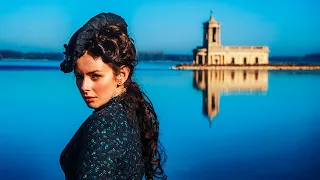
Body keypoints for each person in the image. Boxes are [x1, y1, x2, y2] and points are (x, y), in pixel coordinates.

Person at [59, 12, 166, 180]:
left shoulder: (104, 123)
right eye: (79, 76)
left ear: (121, 75)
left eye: (95, 76)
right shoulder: (129, 108)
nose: (84, 87)